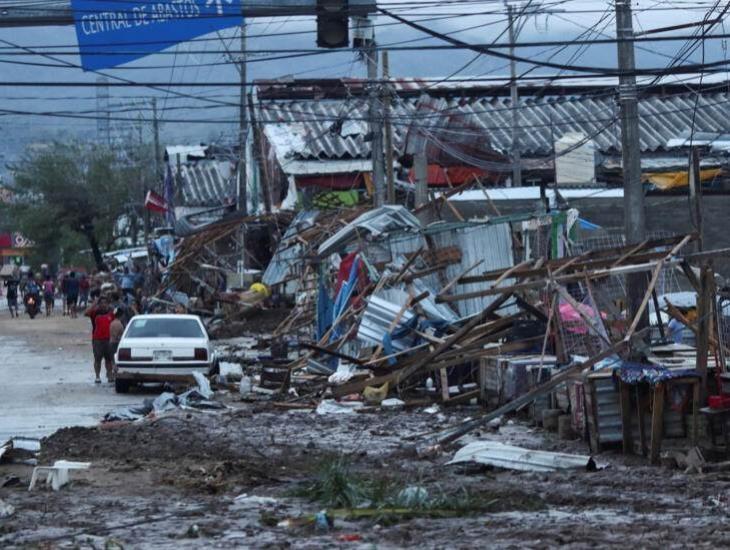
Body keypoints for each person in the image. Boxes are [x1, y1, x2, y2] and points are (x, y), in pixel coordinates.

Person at [85, 296, 115, 384]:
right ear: (99, 304)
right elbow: (86, 312)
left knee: (109, 359)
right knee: (97, 359)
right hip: (97, 340)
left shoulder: (111, 313)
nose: (103, 305)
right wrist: (94, 303)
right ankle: (97, 376)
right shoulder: (95, 313)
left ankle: (110, 375)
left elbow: (119, 312)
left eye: (105, 303)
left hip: (109, 339)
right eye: (101, 303)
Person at [109, 307, 125, 380]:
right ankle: (115, 375)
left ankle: (112, 375)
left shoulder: (112, 323)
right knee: (116, 360)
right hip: (116, 343)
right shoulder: (119, 324)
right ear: (121, 315)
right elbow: (117, 336)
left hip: (111, 342)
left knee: (112, 360)